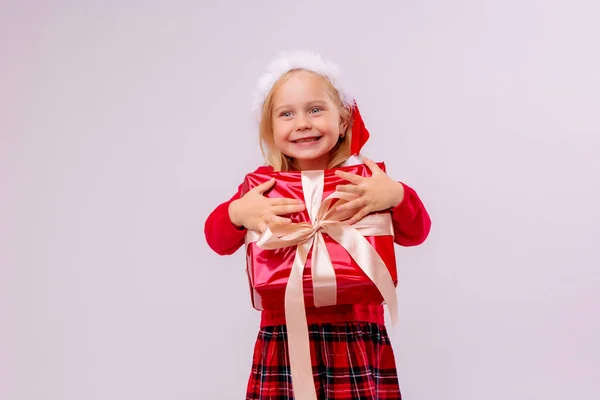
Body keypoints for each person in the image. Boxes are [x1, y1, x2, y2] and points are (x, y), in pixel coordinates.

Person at [204, 50, 431, 400]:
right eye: (286, 114)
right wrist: (236, 214)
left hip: (356, 332)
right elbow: (217, 239)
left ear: (343, 121)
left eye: (315, 109)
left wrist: (398, 195)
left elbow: (417, 233)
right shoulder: (262, 186)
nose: (302, 123)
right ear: (271, 128)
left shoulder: (366, 178)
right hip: (283, 335)